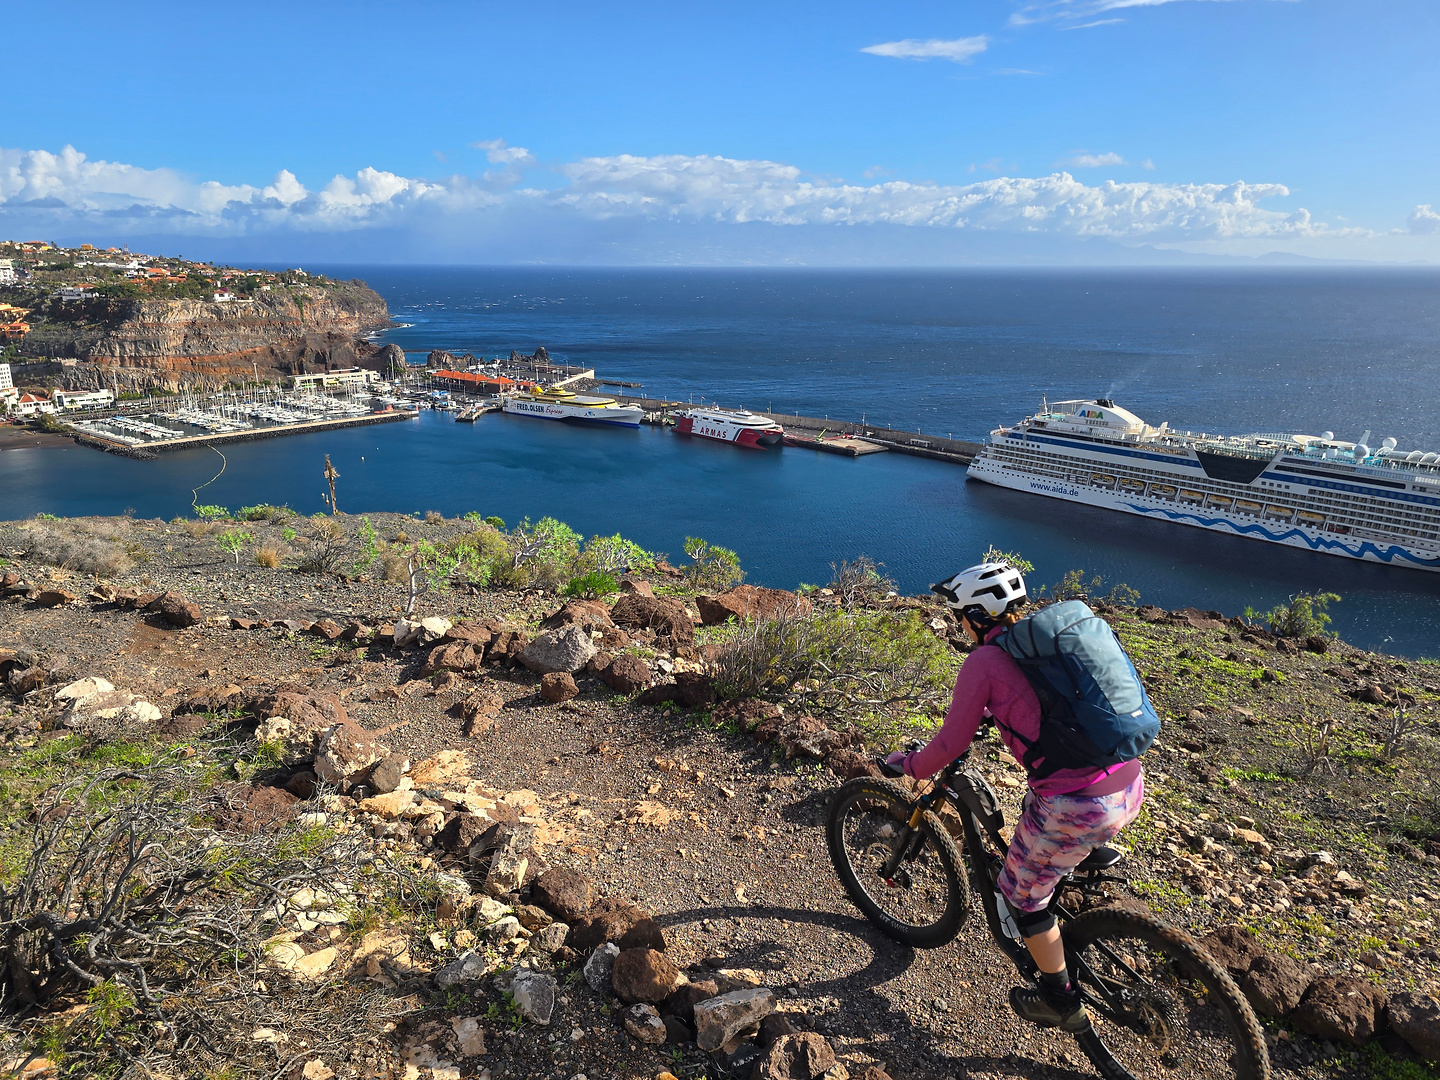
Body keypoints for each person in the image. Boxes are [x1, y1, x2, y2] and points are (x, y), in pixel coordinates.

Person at [887, 561, 1145, 1033]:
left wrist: (909, 765)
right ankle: (1064, 881)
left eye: (961, 615)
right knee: (1038, 836)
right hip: (1128, 784)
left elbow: (948, 746)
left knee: (1023, 898)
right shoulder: (1045, 644)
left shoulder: (984, 660)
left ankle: (1059, 999)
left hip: (1078, 807)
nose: (960, 624)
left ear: (973, 617)